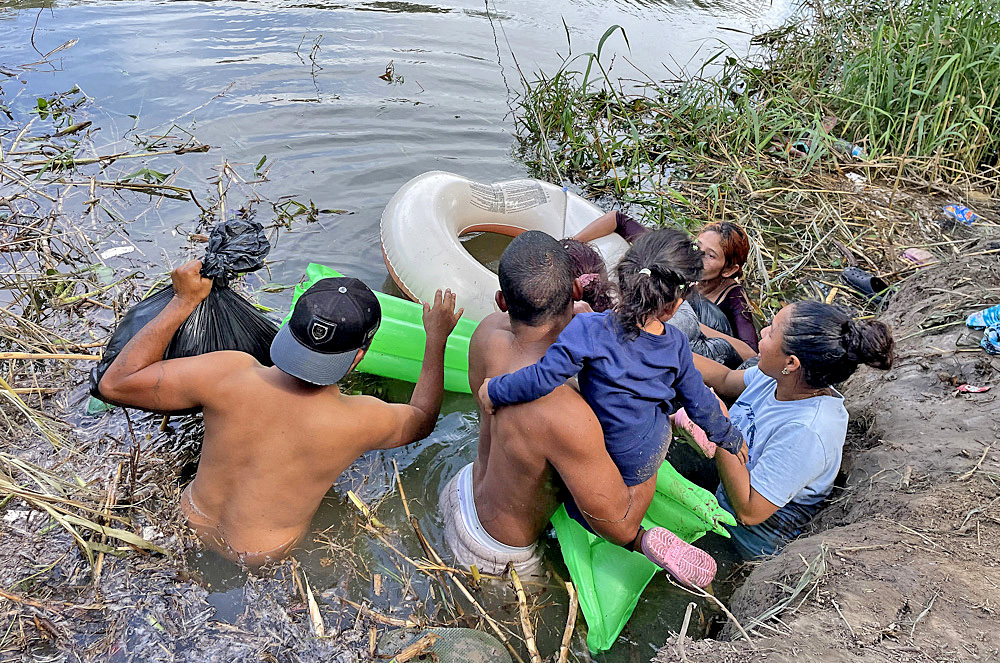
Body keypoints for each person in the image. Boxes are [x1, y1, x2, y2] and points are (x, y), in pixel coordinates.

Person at [98, 261, 463, 566]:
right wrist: (436, 339)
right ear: (359, 357)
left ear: (289, 327)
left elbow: (115, 384)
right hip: (262, 556)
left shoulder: (227, 373)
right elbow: (422, 419)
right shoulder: (359, 420)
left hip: (185, 524)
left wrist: (182, 301)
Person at [478, 229, 747, 588]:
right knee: (664, 401)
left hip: (616, 452)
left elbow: (541, 377)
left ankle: (645, 540)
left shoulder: (564, 332)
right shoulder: (678, 345)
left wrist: (495, 391)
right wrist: (726, 436)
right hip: (648, 447)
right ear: (675, 305)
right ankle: (673, 426)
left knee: (576, 505)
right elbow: (700, 397)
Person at [692, 301, 894, 557]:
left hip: (744, 538)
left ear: (791, 362)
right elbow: (724, 379)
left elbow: (749, 511)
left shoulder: (808, 431)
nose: (763, 331)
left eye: (772, 331)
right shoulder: (779, 378)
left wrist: (719, 425)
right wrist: (664, 349)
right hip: (726, 485)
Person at [574, 211, 759, 350]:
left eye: (710, 256)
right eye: (696, 246)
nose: (697, 255)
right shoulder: (671, 259)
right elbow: (618, 219)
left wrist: (694, 325)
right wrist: (572, 242)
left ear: (728, 270)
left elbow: (750, 352)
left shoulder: (734, 297)